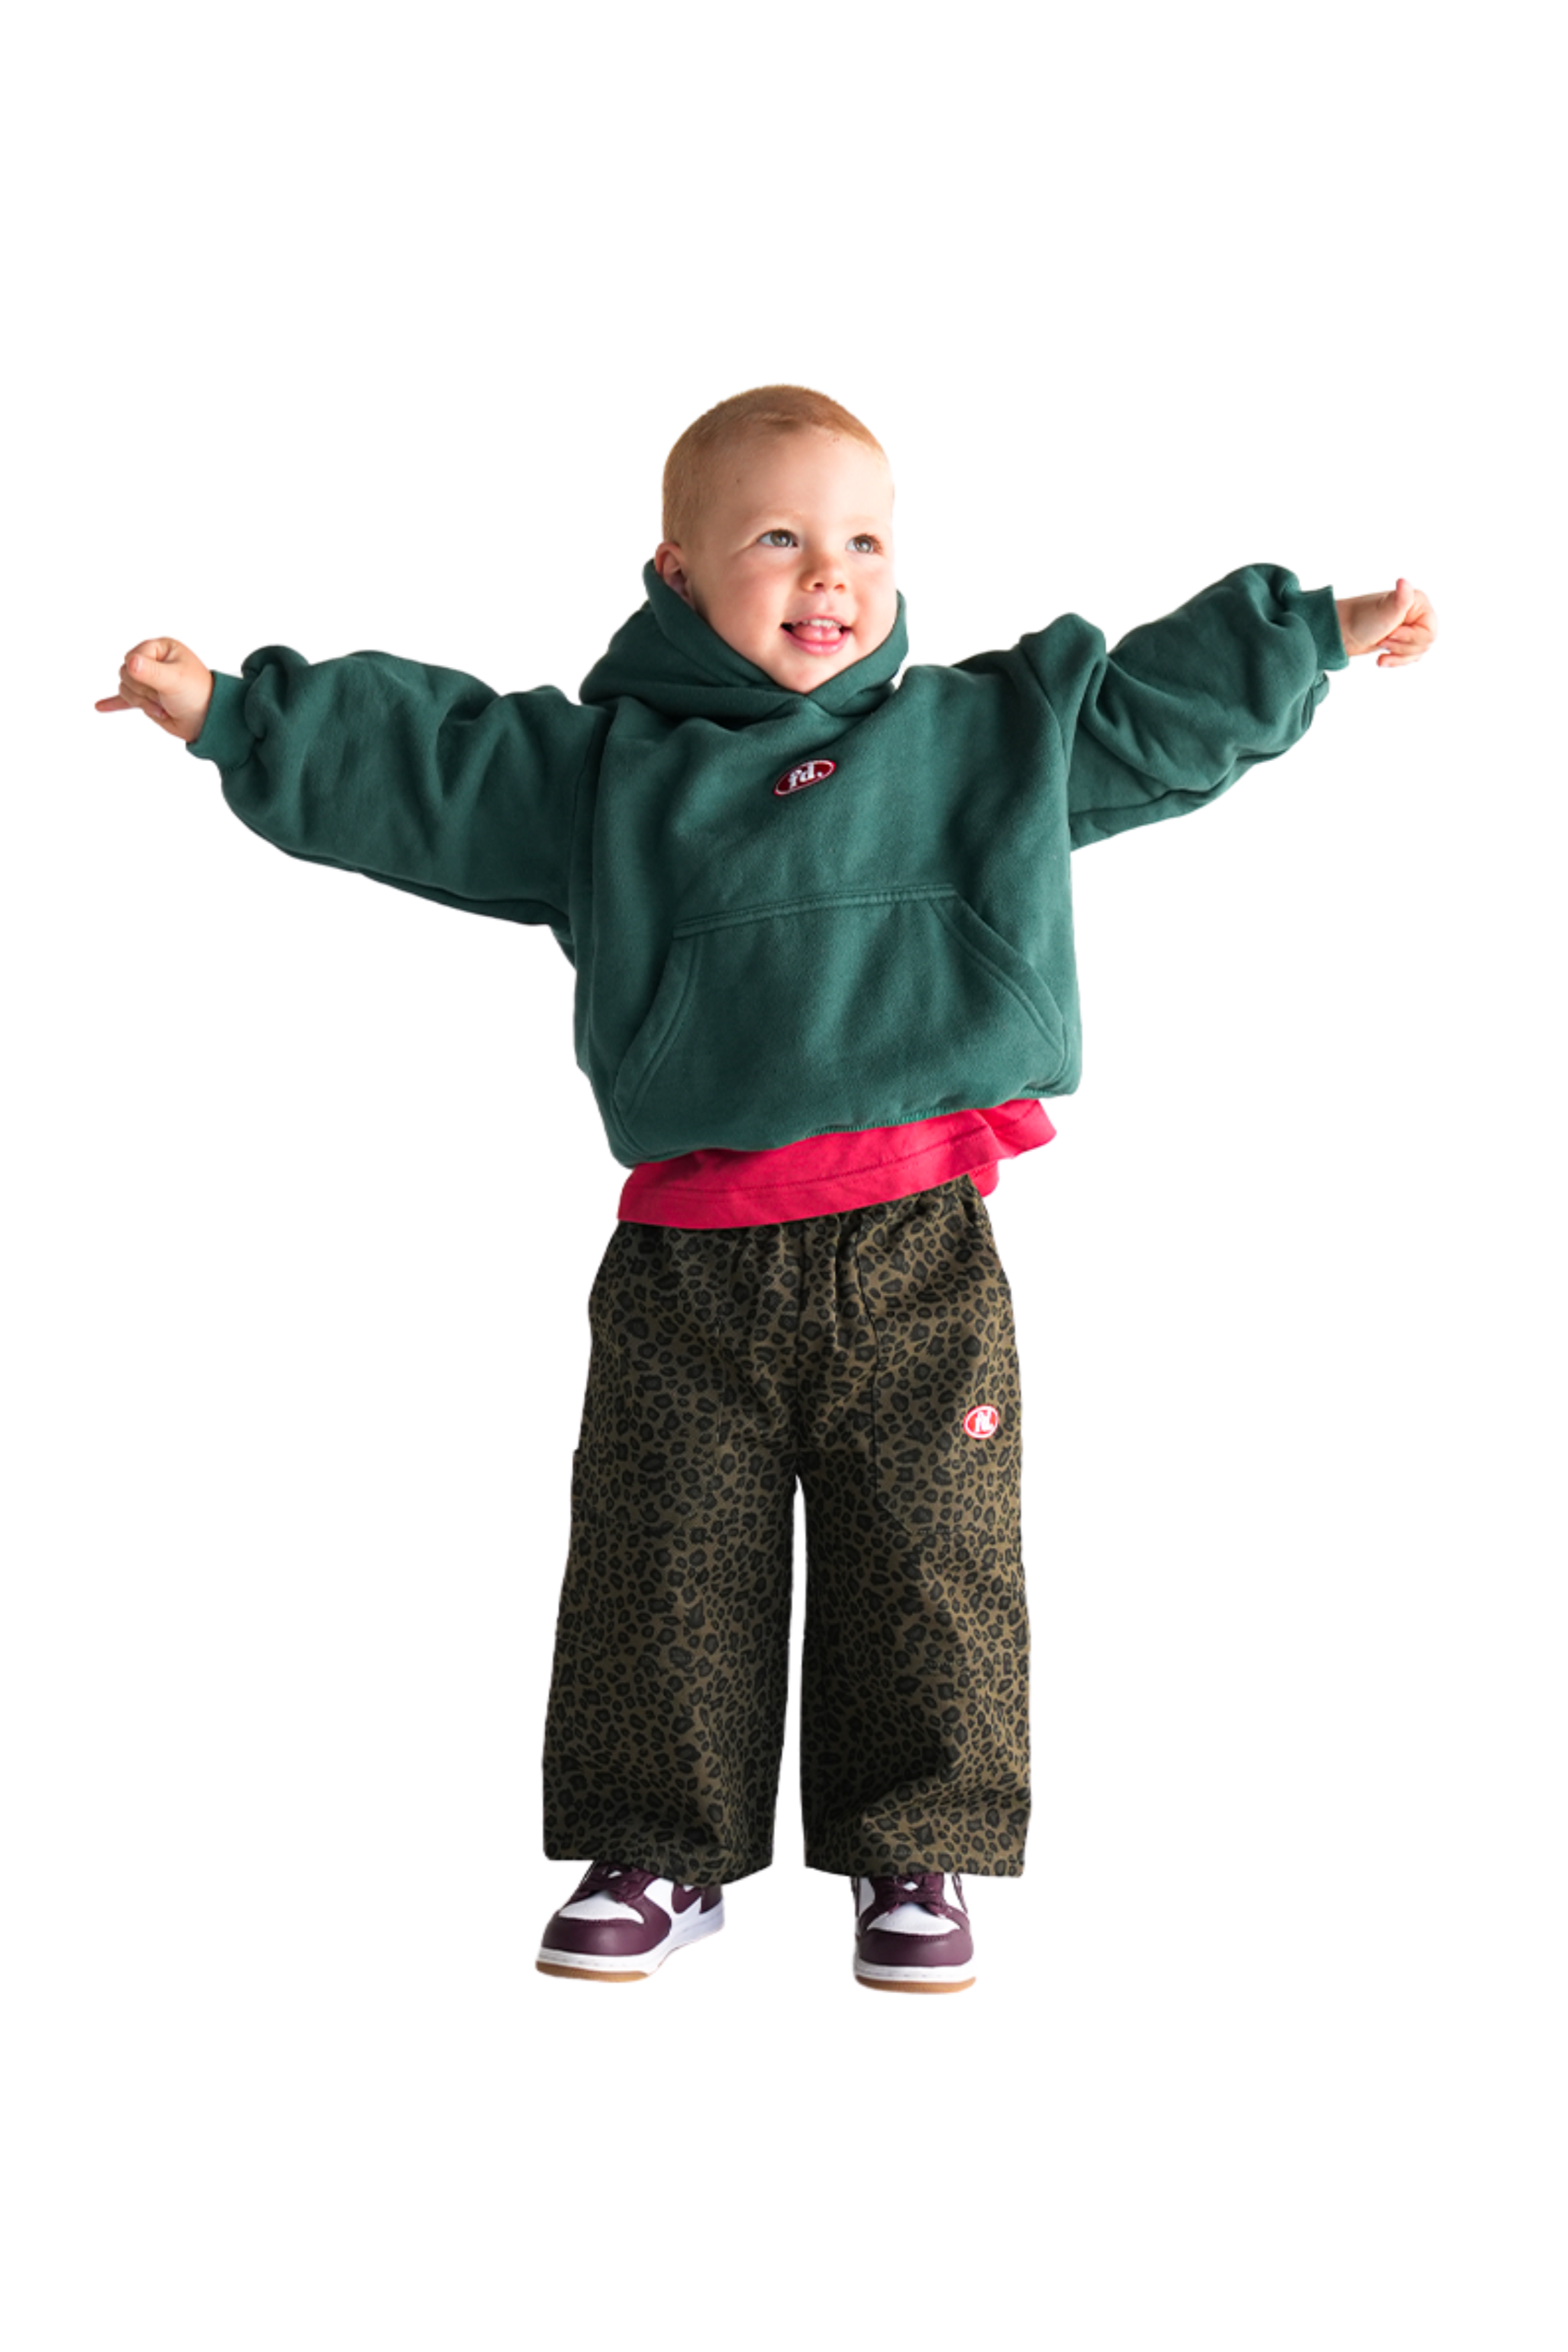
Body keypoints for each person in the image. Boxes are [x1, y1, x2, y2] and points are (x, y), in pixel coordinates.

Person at [98, 385, 1437, 1994]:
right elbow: (432, 764)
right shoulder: (605, 776)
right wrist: (237, 711)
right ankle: (661, 1847)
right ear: (674, 572)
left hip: (919, 1239)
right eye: (779, 537)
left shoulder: (979, 739)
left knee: (931, 1559)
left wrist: (1318, 632)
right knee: (663, 1559)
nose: (831, 574)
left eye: (864, 538)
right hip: (690, 1259)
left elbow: (1146, 703)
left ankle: (914, 1845)